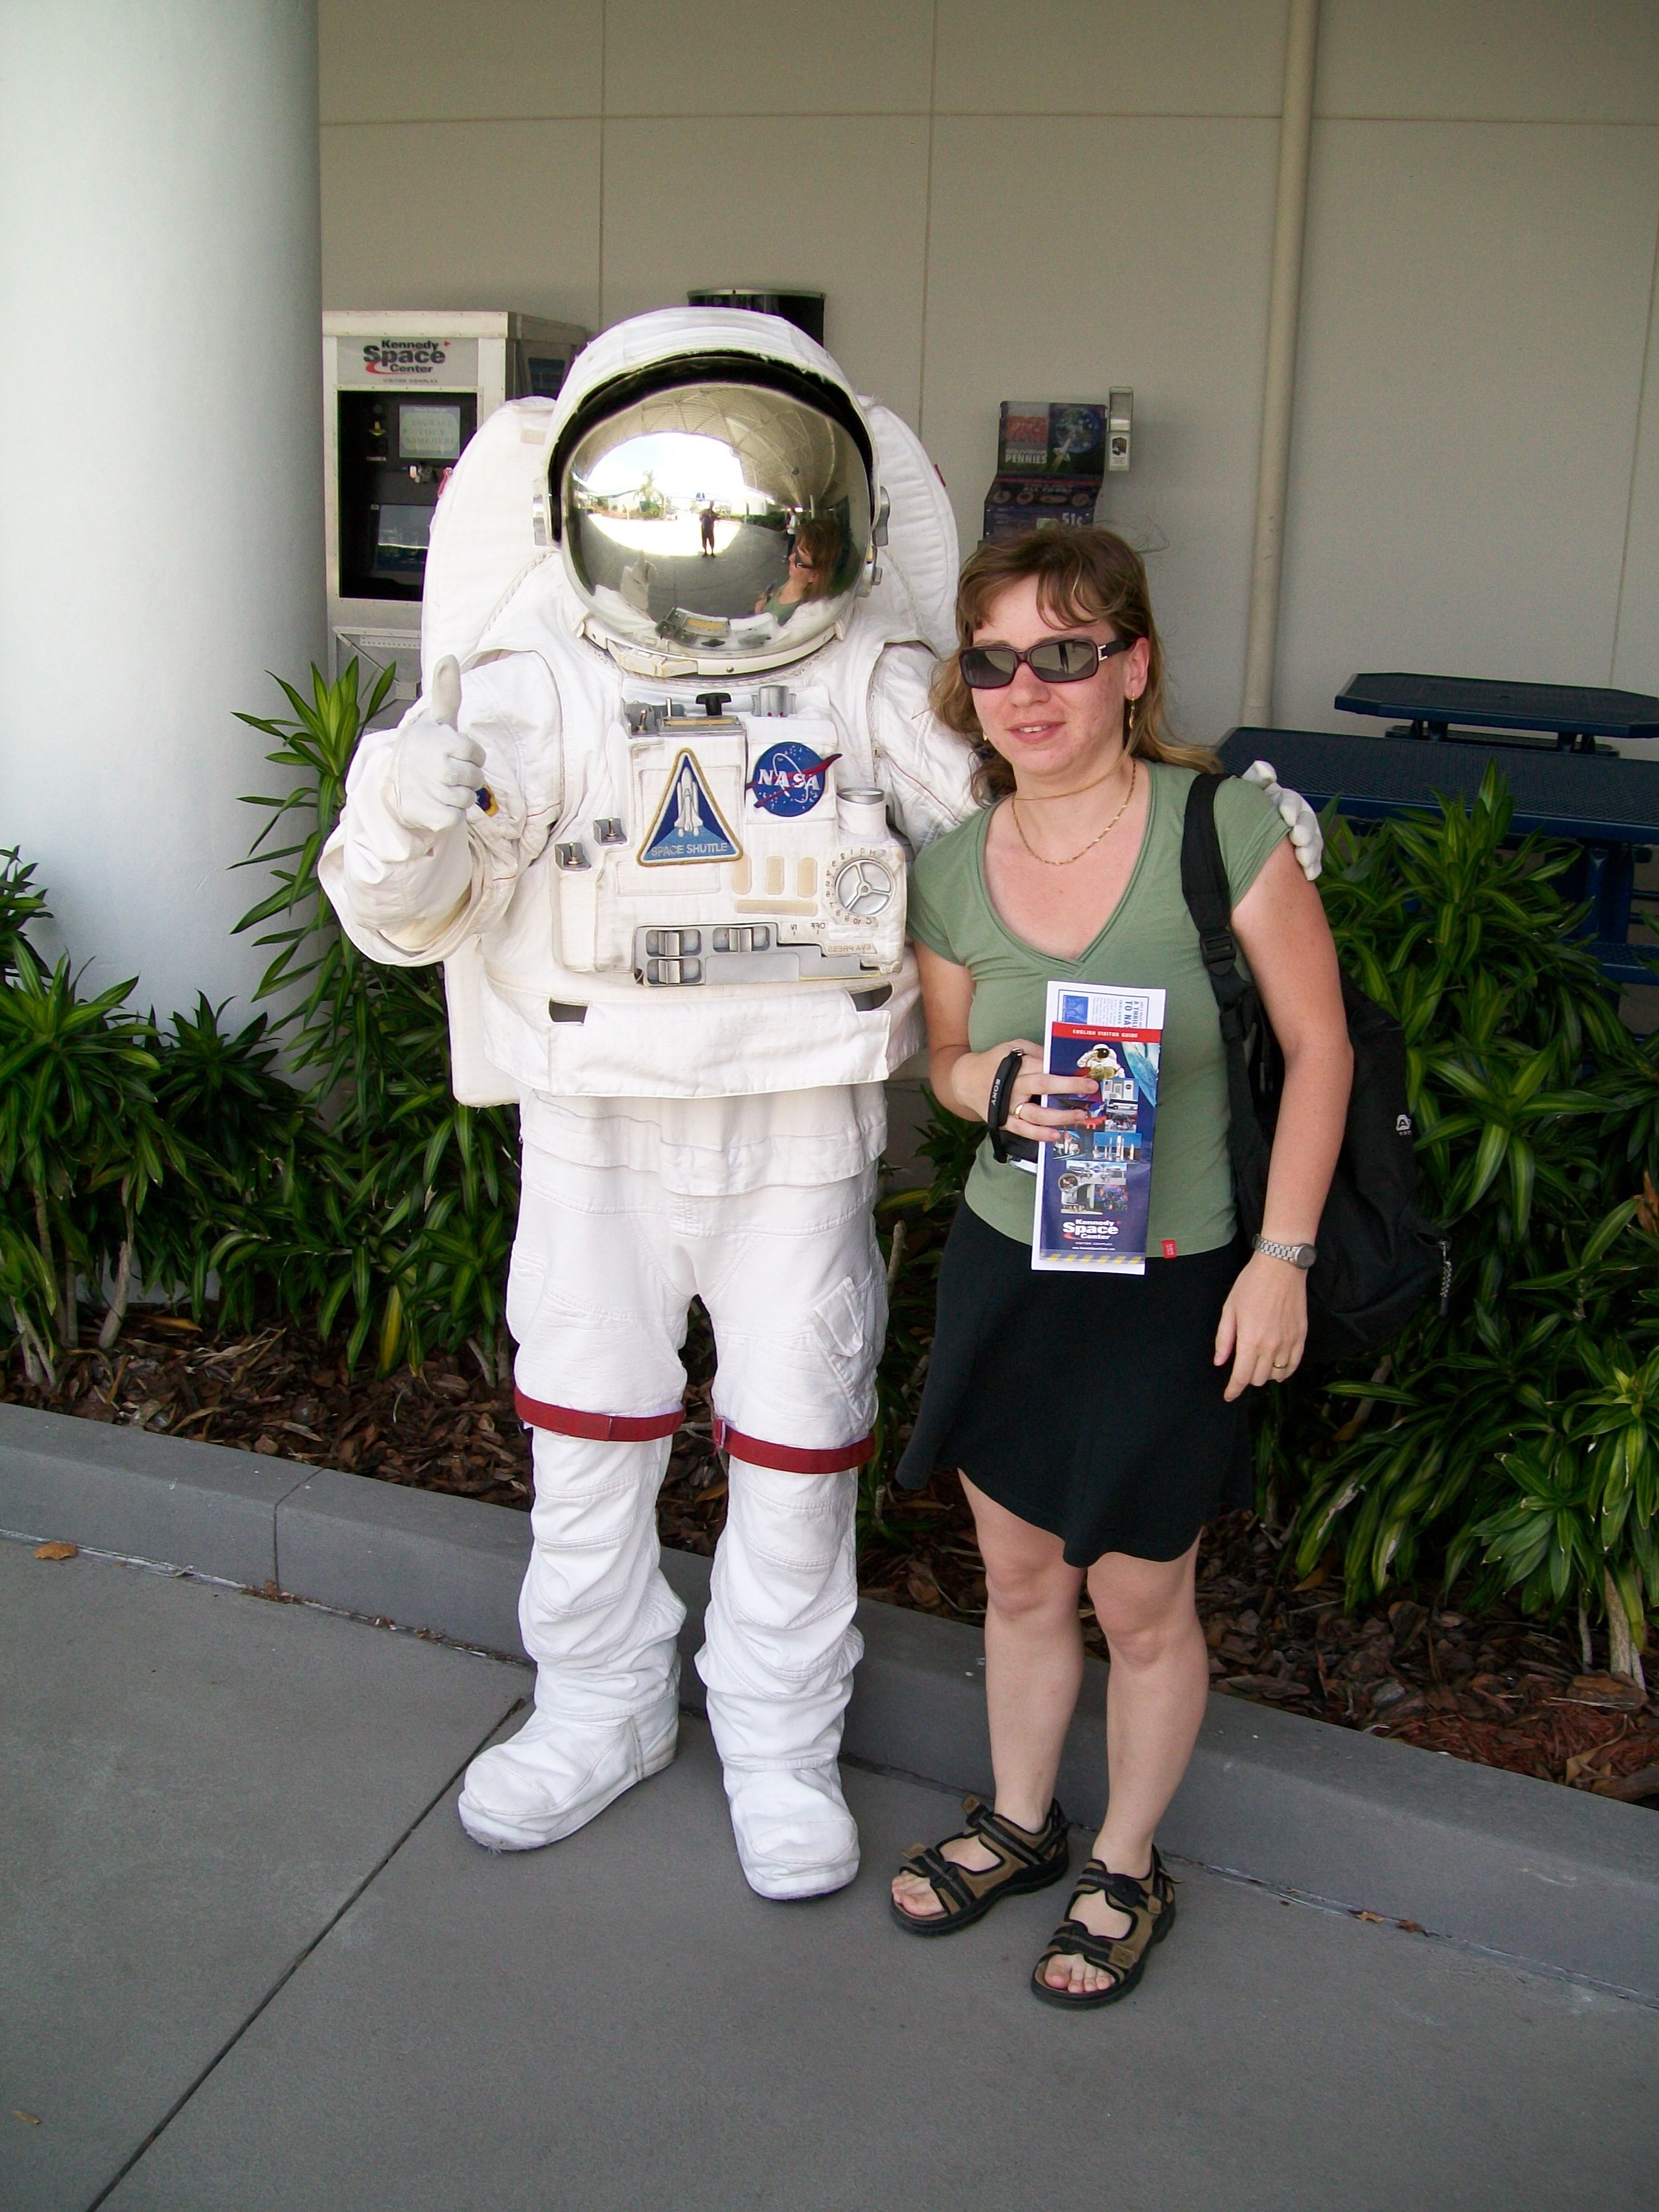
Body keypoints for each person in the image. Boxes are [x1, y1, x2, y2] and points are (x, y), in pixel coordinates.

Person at [321, 307, 977, 1902]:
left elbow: (1006, 828)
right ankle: (599, 1703)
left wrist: (1204, 852)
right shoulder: (530, 673)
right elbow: (404, 912)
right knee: (590, 1429)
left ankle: (776, 1737)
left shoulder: (872, 662)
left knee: (799, 1433)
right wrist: (404, 805)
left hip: (798, 1124)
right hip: (595, 1116)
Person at [887, 528, 1352, 2007]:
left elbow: (1319, 1049)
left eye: (1064, 655)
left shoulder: (1220, 831)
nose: (1026, 688)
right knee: (1021, 1577)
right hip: (1010, 1263)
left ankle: (1126, 1863)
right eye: (995, 660)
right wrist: (987, 1089)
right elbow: (944, 1058)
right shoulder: (953, 863)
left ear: (1130, 668)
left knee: (1142, 1598)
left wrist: (1278, 1260)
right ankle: (1022, 1822)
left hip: (1175, 1277)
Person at [753, 514, 843, 621]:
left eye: (799, 559)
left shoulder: (791, 615)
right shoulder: (796, 580)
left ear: (813, 576)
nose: (791, 558)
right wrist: (767, 598)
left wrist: (758, 613)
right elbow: (778, 594)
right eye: (795, 550)